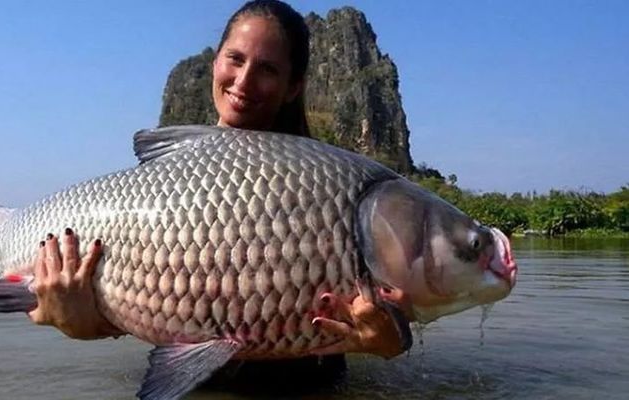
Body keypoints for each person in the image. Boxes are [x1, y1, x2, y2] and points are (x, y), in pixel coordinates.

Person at [28, 0, 412, 374]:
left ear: (293, 85)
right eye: (235, 59)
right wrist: (77, 321)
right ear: (216, 60)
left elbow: (401, 320)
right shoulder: (169, 191)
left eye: (266, 69)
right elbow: (125, 315)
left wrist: (392, 340)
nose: (244, 81)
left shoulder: (337, 184)